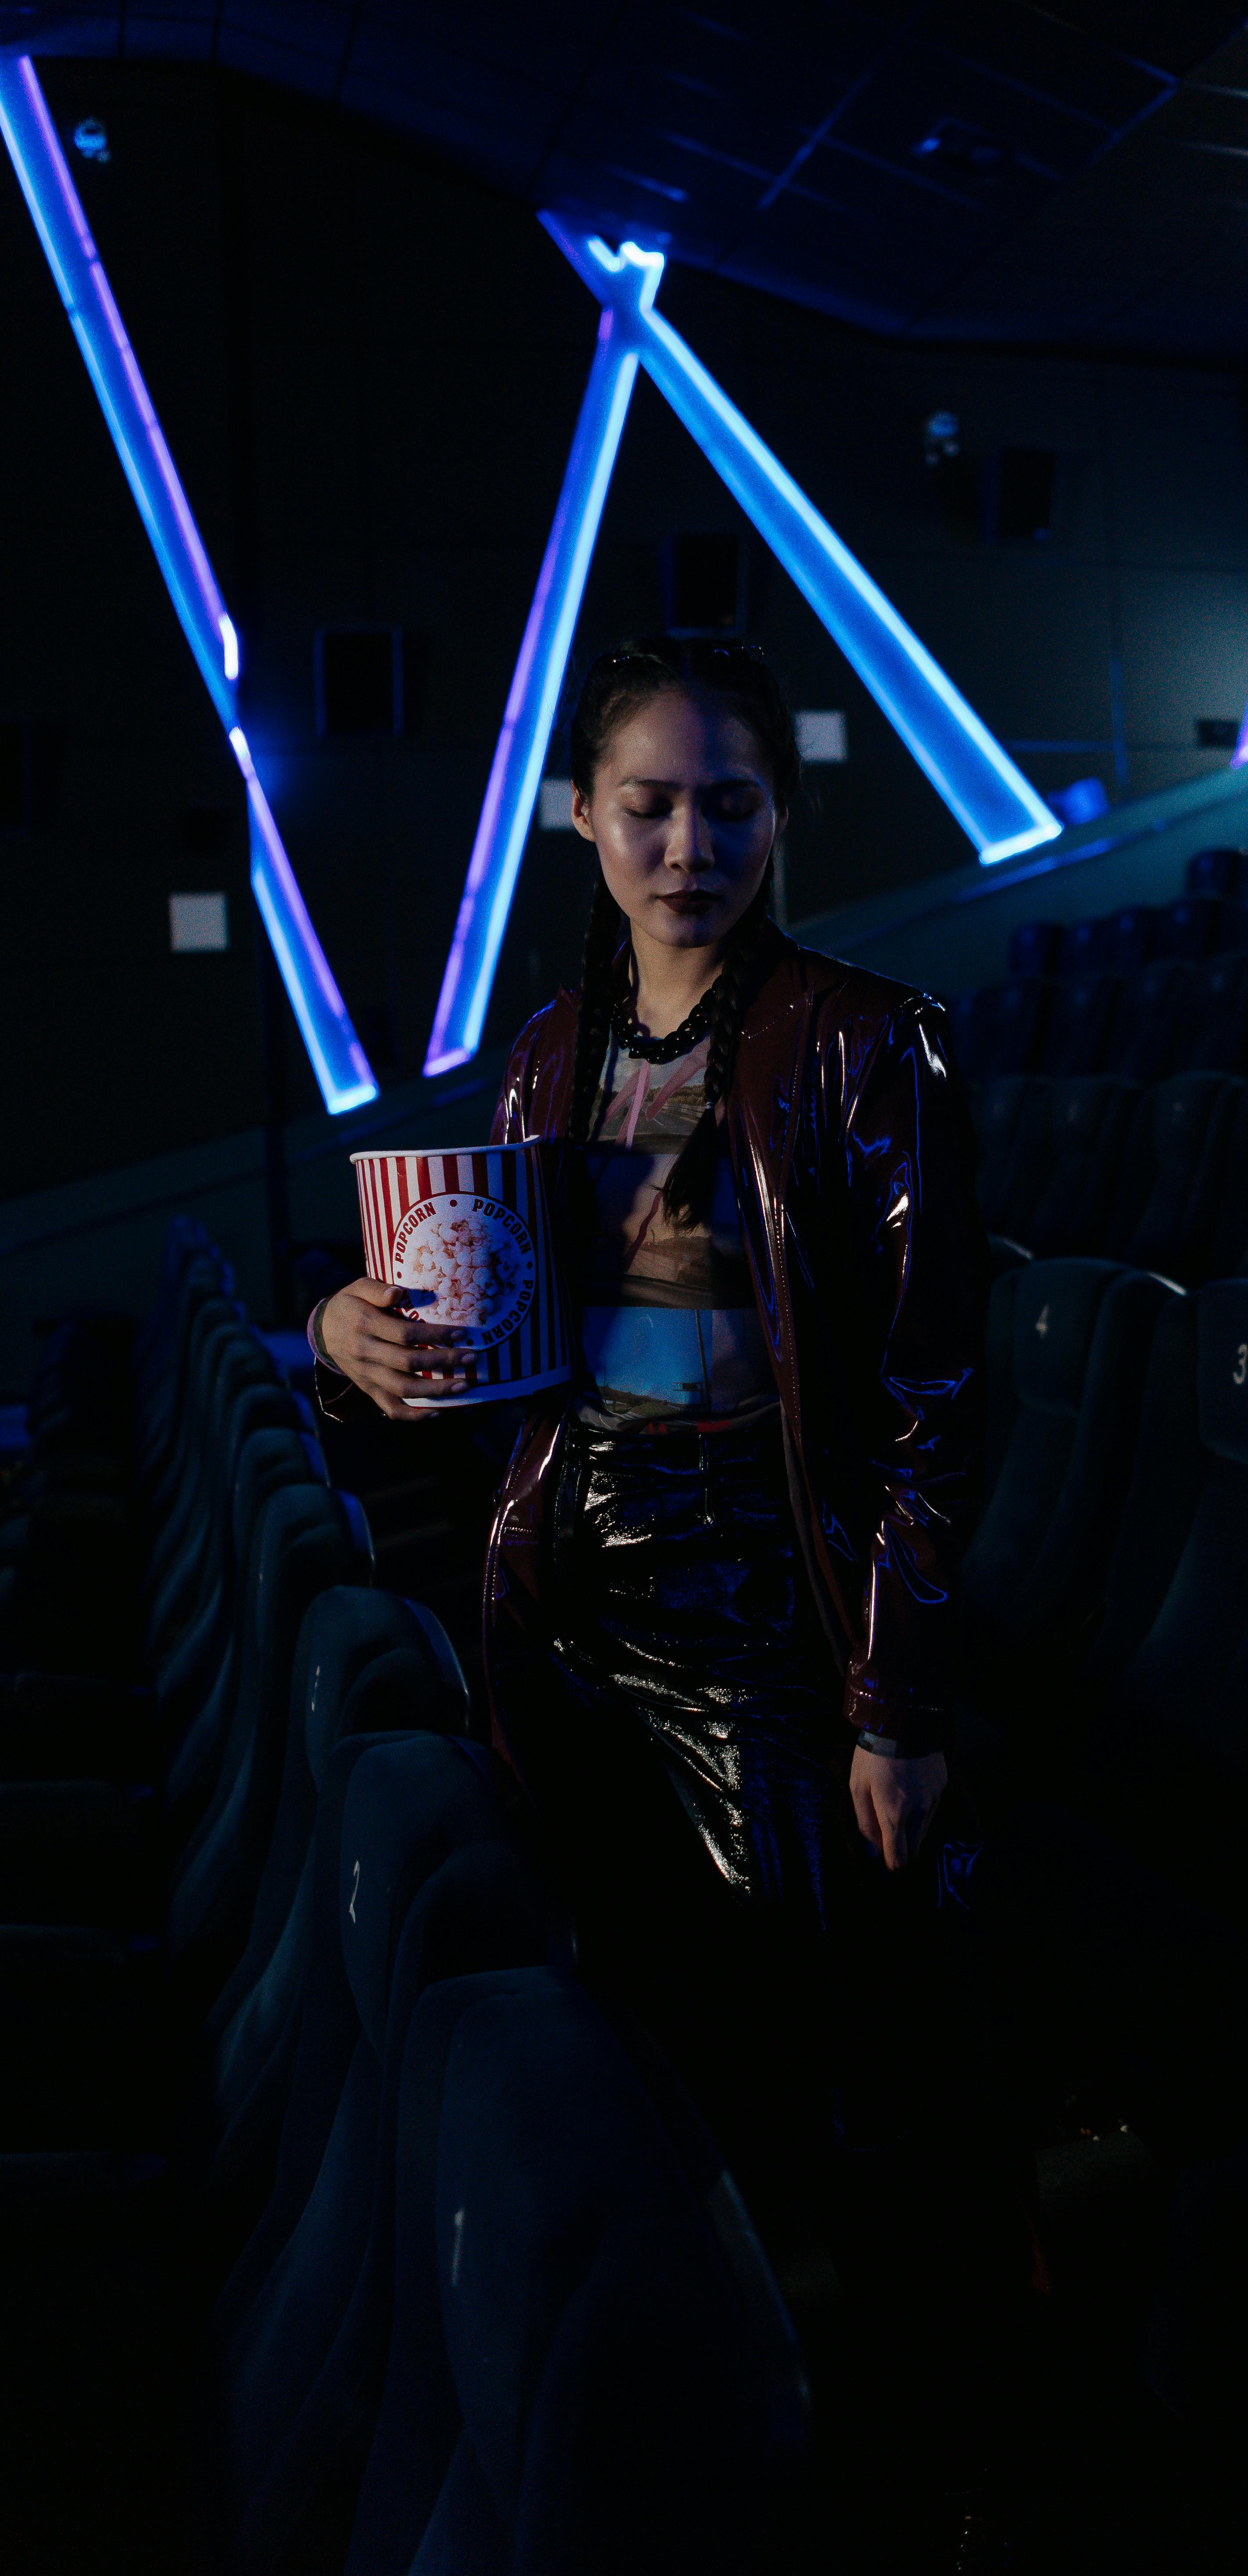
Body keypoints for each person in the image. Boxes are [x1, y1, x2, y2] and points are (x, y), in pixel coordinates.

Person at [309, 634, 989, 2174]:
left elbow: (934, 1397)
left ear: (780, 816)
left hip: (766, 1589)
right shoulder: (546, 1057)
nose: (691, 847)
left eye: (731, 806)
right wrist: (347, 1343)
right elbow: (482, 1367)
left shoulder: (871, 1042)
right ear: (581, 816)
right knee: (628, 2000)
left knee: (816, 2032)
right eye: (649, 805)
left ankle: (851, 2358)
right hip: (563, 1577)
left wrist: (898, 1704)